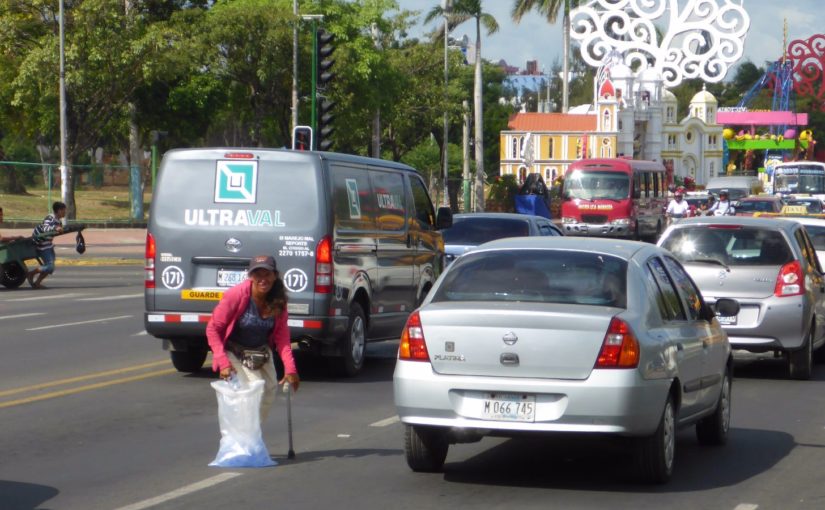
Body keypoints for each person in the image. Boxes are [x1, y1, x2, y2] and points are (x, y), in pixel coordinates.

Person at [206, 255, 300, 425]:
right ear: (251, 276)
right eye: (258, 275)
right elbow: (213, 329)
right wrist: (223, 362)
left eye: (267, 274)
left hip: (261, 350)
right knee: (254, 389)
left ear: (275, 275)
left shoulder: (279, 300)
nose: (263, 279)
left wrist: (290, 369)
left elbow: (282, 337)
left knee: (270, 390)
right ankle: (244, 437)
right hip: (235, 349)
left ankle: (252, 434)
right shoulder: (237, 295)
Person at [26, 201, 67, 289]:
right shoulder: (50, 218)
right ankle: (31, 274)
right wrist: (56, 228)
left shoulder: (58, 221)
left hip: (49, 245)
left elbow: (55, 232)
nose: (65, 212)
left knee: (49, 267)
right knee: (50, 267)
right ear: (59, 211)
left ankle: (37, 283)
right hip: (42, 245)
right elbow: (45, 228)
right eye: (64, 210)